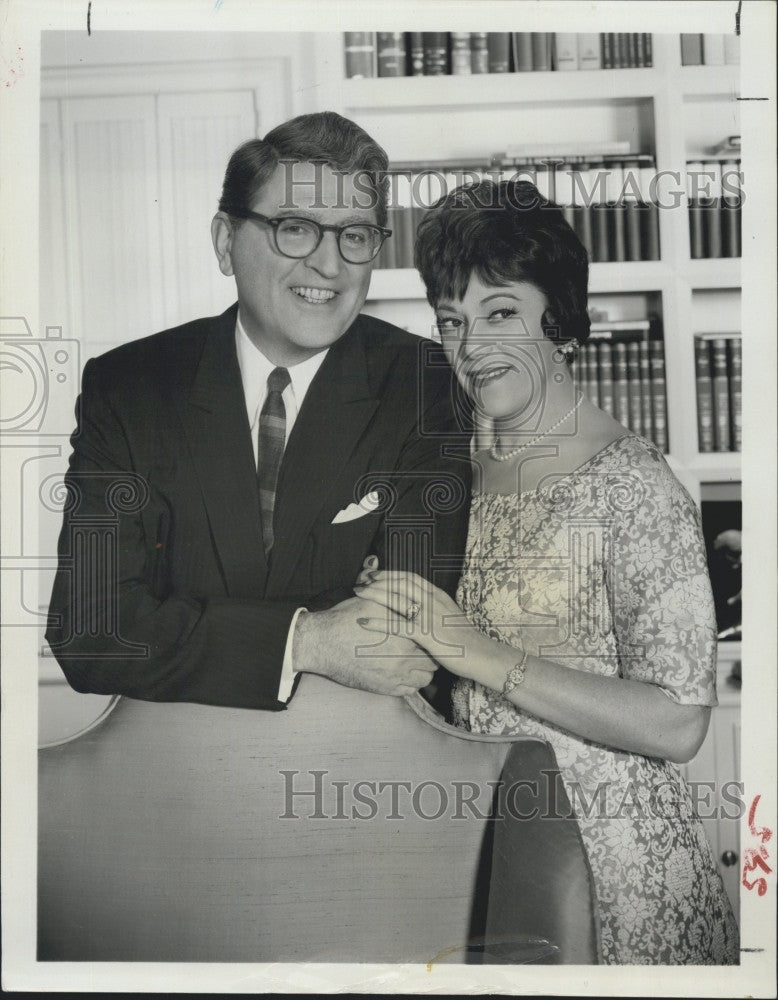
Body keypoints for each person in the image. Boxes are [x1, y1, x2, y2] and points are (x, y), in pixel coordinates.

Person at [354, 179, 740, 964]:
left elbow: (679, 722)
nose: (471, 348)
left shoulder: (632, 481)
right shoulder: (451, 463)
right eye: (453, 322)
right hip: (487, 842)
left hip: (613, 871)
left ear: (558, 320)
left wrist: (477, 651)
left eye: (501, 313)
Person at [45, 111, 470, 711]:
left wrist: (180, 622)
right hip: (173, 770)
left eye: (355, 235)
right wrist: (309, 640)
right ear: (225, 242)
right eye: (296, 228)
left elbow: (402, 643)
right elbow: (91, 630)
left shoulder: (428, 386)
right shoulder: (129, 388)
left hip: (357, 768)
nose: (330, 265)